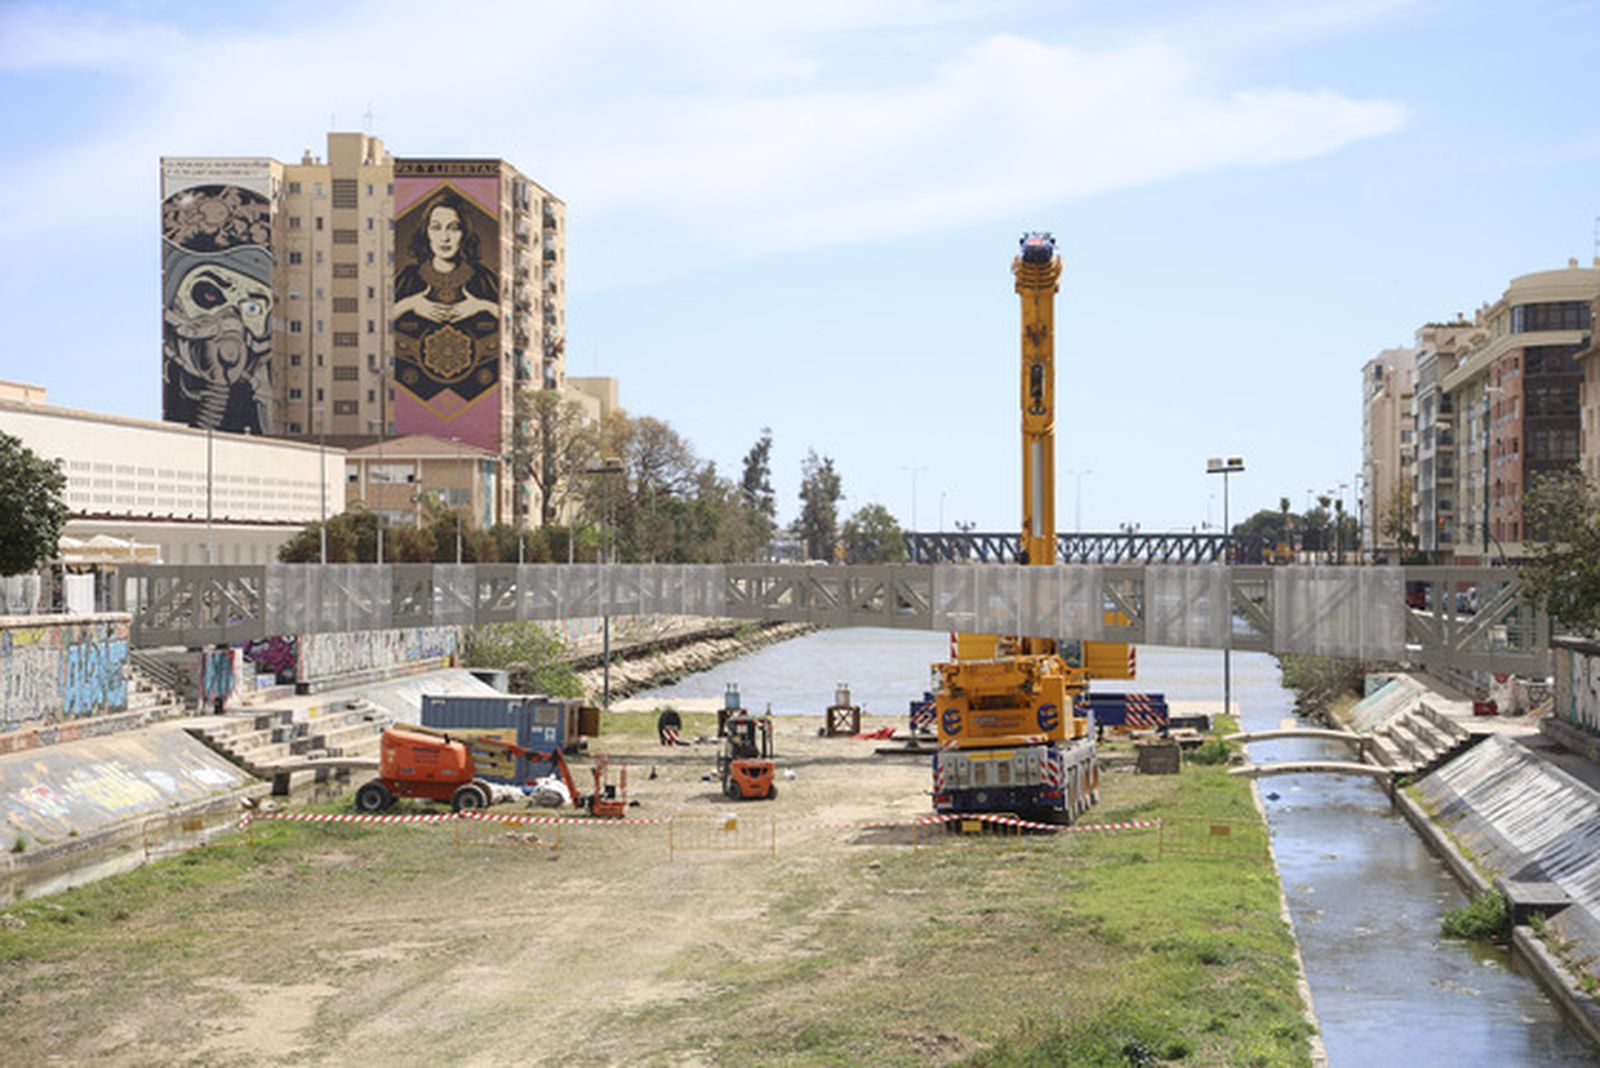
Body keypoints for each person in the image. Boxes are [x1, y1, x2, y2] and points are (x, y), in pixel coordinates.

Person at [393, 189, 499, 391]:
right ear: (427, 232)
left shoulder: (483, 278)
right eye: (436, 227)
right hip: (416, 387)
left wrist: (480, 306)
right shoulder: (408, 278)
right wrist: (411, 304)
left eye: (453, 228)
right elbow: (376, 326)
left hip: (475, 388)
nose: (445, 237)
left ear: (464, 233)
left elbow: (513, 319)